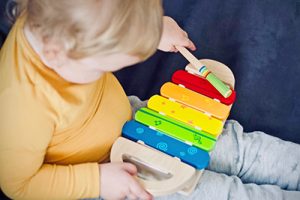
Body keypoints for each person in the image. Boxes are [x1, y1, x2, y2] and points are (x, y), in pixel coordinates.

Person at [0, 0, 196, 199]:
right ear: (56, 54)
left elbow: (115, 12)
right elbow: (18, 185)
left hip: (132, 120)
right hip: (106, 173)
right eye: (102, 70)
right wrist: (97, 181)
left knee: (218, 142)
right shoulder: (23, 107)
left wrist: (149, 29)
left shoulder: (63, 19)